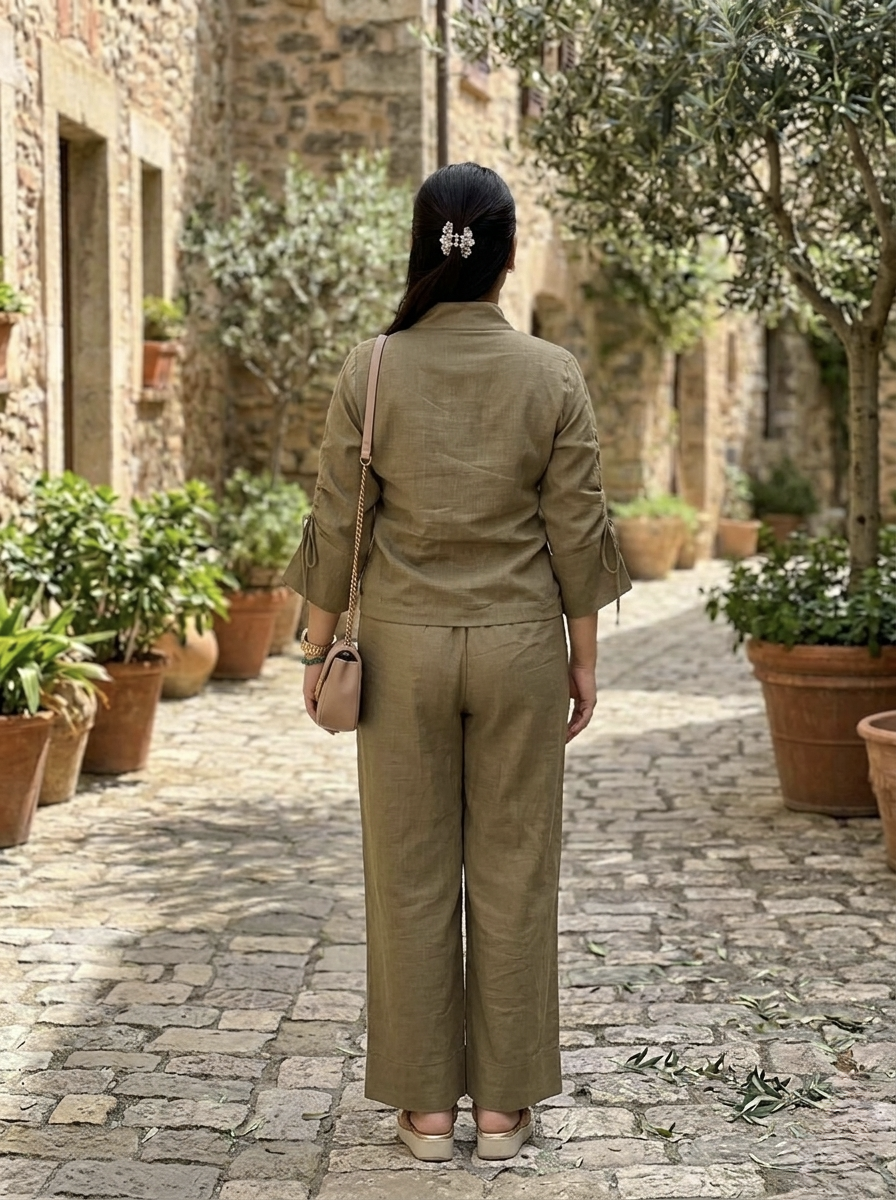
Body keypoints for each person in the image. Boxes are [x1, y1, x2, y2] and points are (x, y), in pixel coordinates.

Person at [283, 161, 630, 1163]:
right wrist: (582, 661)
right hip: (520, 645)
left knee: (407, 873)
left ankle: (428, 1113)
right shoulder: (551, 373)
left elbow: (334, 518)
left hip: (398, 653)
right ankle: (503, 1108)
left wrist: (315, 651)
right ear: (506, 253)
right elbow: (577, 532)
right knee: (515, 871)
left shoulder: (371, 367)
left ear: (420, 246)